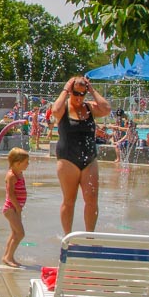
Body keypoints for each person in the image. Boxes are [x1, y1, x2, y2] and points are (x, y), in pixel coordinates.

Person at [53, 75, 111, 234]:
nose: (79, 97)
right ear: (70, 92)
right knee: (69, 201)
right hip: (67, 160)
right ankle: (68, 237)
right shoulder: (64, 108)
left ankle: (89, 237)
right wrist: (65, 89)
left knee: (92, 200)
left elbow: (106, 109)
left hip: (89, 160)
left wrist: (91, 90)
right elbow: (55, 110)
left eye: (82, 94)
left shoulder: (90, 108)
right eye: (75, 93)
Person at [1, 147, 29, 268]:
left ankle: (7, 256)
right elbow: (11, 194)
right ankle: (8, 257)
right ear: (17, 163)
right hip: (11, 209)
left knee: (14, 233)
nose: (28, 164)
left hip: (15, 208)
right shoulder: (11, 176)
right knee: (20, 233)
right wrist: (18, 207)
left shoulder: (19, 173)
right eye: (26, 162)